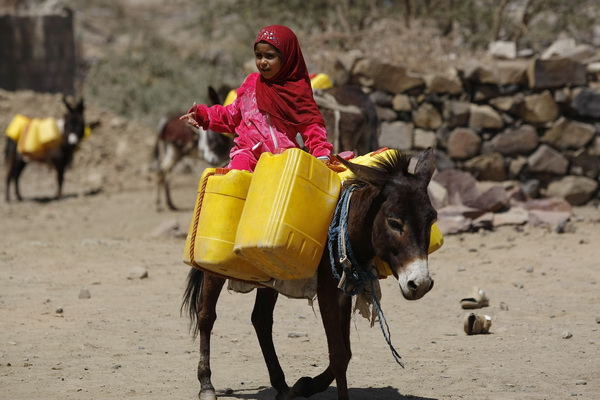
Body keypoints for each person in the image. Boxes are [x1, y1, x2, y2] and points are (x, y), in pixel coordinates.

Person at [180, 24, 336, 172]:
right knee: (233, 181)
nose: (262, 62)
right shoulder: (251, 85)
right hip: (247, 154)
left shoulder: (297, 91)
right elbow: (232, 115)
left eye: (270, 56)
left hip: (283, 156)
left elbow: (311, 125)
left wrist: (320, 153)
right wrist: (203, 115)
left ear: (287, 58)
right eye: (258, 56)